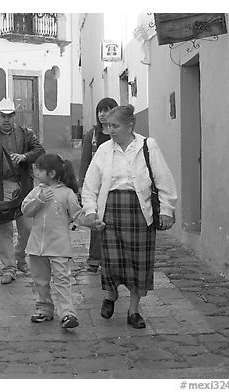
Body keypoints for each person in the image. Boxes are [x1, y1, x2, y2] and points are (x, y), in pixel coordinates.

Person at [81, 104, 177, 329]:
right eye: (108, 126)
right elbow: (90, 184)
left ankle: (134, 310)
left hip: (139, 212)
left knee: (138, 263)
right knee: (112, 261)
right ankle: (111, 295)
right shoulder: (105, 150)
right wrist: (91, 211)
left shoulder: (147, 146)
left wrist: (166, 210)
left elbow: (163, 180)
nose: (110, 130)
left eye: (115, 126)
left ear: (130, 125)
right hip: (112, 210)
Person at [0, 98, 45, 284]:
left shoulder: (25, 134)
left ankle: (19, 256)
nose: (6, 119)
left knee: (28, 228)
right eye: (3, 116)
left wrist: (24, 156)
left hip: (23, 186)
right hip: (1, 188)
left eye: (10, 115)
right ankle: (9, 267)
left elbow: (39, 150)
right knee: (5, 229)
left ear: (14, 116)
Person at [22, 154, 82, 329]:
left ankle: (67, 313)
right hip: (36, 246)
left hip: (59, 246)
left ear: (52, 173)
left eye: (40, 170)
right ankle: (44, 308)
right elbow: (26, 210)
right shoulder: (36, 191)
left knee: (62, 280)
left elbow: (77, 214)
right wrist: (39, 200)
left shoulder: (67, 194)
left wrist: (90, 221)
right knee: (40, 280)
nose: (36, 173)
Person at [79, 97, 118, 273]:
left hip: (116, 182)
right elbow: (85, 161)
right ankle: (94, 259)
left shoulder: (118, 133)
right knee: (96, 219)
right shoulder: (92, 135)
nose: (102, 114)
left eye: (107, 110)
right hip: (97, 184)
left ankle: (114, 258)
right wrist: (82, 185)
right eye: (100, 111)